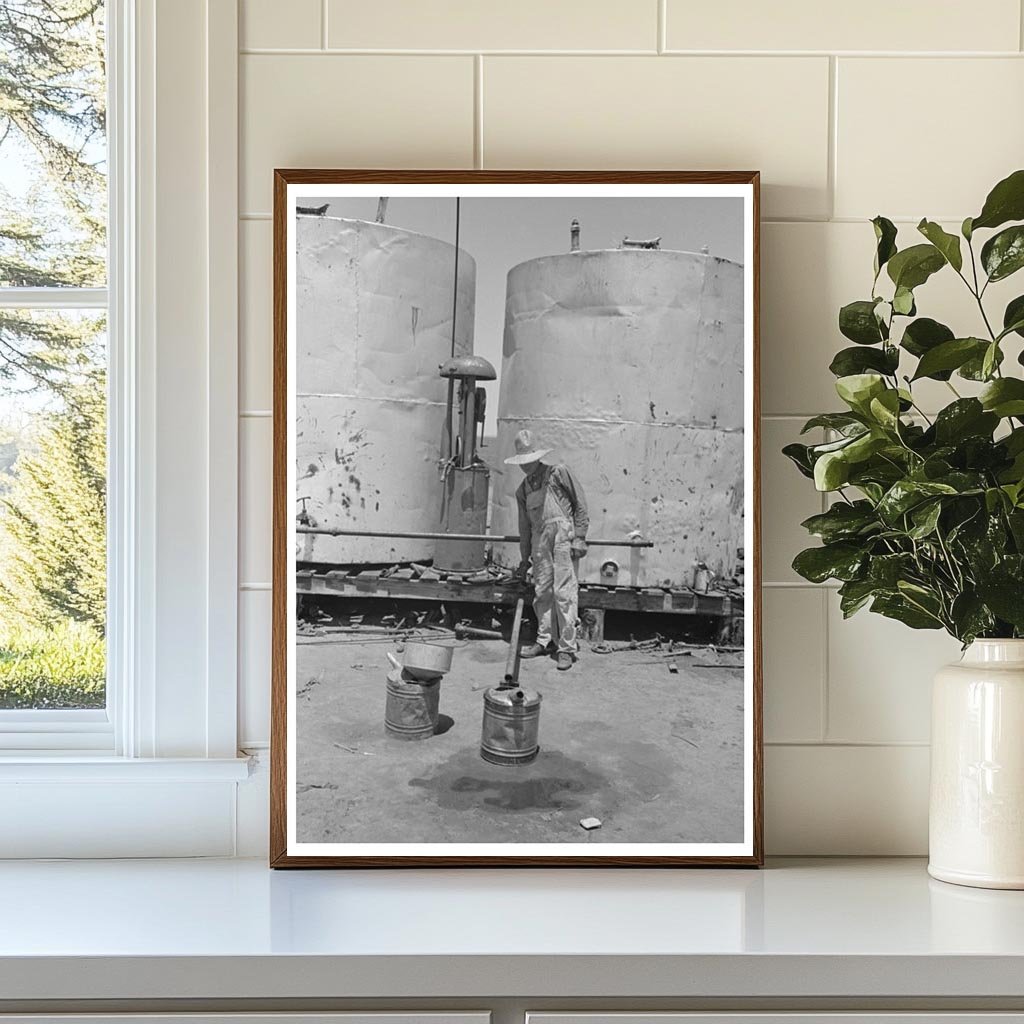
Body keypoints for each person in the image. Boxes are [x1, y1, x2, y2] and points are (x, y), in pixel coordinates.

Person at [504, 429, 589, 671]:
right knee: (542, 592)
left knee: (564, 592)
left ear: (538, 457)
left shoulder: (558, 473)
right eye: (522, 463)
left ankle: (566, 648)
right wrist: (524, 559)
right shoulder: (523, 490)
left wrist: (580, 537)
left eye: (529, 461)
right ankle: (544, 640)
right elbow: (524, 527)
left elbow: (580, 504)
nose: (526, 466)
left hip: (562, 538)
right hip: (538, 543)